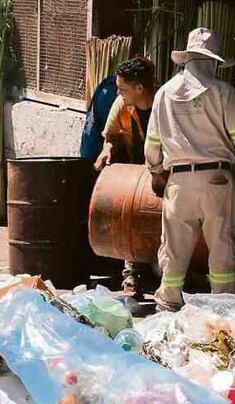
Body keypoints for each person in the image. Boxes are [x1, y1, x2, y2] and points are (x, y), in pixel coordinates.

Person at [145, 27, 235, 311]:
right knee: (221, 244)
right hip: (216, 180)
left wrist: (156, 168)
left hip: (178, 182)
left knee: (174, 248)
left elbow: (152, 144)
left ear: (187, 59)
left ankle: (168, 303)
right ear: (213, 61)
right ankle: (223, 306)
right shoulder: (224, 93)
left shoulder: (163, 94)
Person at [94, 56, 157, 295]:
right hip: (135, 175)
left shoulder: (165, 103)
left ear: (140, 88)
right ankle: (131, 275)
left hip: (163, 172)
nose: (118, 93)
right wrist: (106, 152)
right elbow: (111, 137)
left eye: (123, 88)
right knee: (131, 223)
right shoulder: (122, 104)